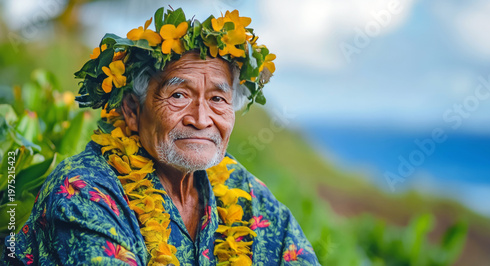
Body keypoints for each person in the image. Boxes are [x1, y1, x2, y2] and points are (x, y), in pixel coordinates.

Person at [2, 7, 319, 266]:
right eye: (179, 96)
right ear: (131, 109)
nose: (201, 119)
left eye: (218, 99)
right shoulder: (82, 190)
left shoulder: (242, 190)